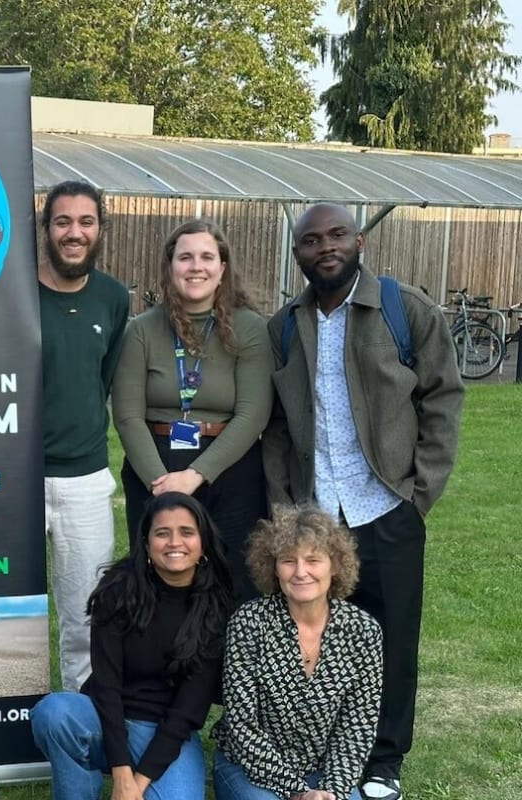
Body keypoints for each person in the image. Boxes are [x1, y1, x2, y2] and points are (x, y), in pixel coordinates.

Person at [263, 203, 464, 800]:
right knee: (318, 640)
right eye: (311, 240)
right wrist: (284, 509)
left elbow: (443, 400)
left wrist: (417, 495)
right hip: (315, 518)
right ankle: (321, 746)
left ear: (360, 243)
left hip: (386, 508)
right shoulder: (284, 327)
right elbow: (275, 426)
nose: (325, 246)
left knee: (393, 641)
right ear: (297, 254)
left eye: (337, 235)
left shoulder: (405, 312)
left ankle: (383, 760)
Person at [31, 492, 236, 800]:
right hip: (104, 716)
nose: (174, 542)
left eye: (186, 532)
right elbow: (107, 686)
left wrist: (136, 785)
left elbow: (187, 710)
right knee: (54, 713)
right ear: (146, 543)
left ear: (203, 542)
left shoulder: (216, 607)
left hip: (167, 731)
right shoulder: (118, 591)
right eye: (162, 533)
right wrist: (121, 772)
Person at [112, 218, 272, 601]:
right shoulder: (142, 330)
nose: (195, 266)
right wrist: (162, 486)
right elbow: (127, 414)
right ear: (171, 268)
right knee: (158, 582)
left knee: (232, 584)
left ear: (222, 269)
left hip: (229, 472)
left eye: (206, 257)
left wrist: (196, 476)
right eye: (185, 257)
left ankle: (229, 662)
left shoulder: (250, 329)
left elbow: (253, 413)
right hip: (155, 468)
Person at [212, 505, 384, 800]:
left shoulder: (363, 631)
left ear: (334, 565)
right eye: (288, 561)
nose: (300, 572)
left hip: (324, 771)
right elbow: (243, 725)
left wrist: (332, 790)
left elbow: (357, 726)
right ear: (273, 567)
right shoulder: (249, 622)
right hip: (250, 767)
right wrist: (296, 792)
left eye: (313, 560)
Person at [38, 180, 131, 692]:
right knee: (13, 610)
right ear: (46, 228)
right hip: (14, 478)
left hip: (85, 480)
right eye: (63, 222)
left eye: (86, 222)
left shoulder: (114, 299)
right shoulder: (11, 293)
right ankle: (5, 723)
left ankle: (80, 718)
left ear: (100, 230)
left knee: (86, 614)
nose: (74, 233)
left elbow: (103, 381)